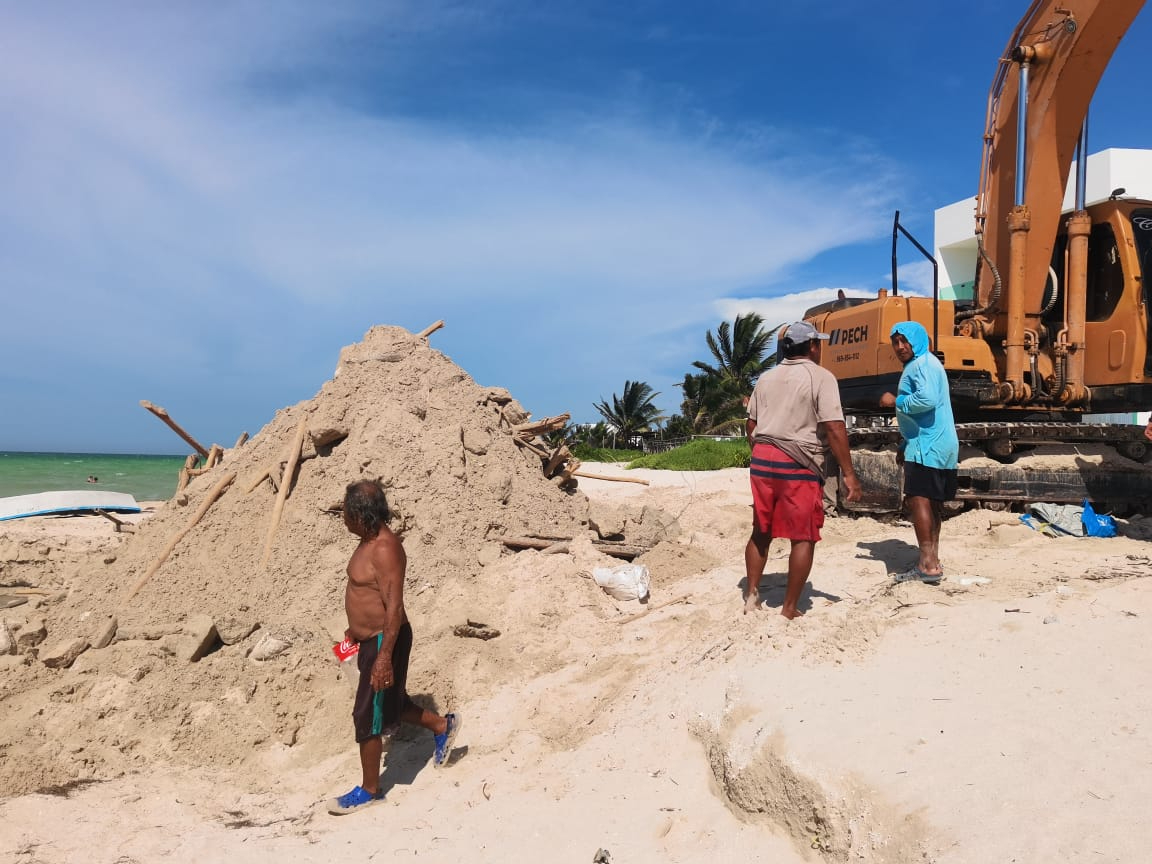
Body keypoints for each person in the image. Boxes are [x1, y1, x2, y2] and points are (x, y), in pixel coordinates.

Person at [328, 479, 460, 815]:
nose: (342, 517)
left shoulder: (385, 548)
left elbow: (394, 606)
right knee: (390, 703)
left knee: (366, 713)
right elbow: (366, 594)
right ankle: (442, 726)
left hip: (385, 640)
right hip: (367, 638)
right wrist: (353, 633)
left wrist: (384, 657)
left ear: (359, 514)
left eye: (345, 511)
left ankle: (370, 790)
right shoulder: (366, 541)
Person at [744, 321, 862, 619]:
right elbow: (834, 427)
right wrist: (849, 474)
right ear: (812, 346)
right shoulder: (821, 377)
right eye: (818, 344)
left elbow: (751, 425)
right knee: (803, 536)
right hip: (797, 462)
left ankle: (752, 596)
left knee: (761, 530)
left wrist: (761, 455)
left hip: (762, 459)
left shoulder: (766, 379)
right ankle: (789, 608)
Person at [879, 321, 959, 584]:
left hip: (927, 445)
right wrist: (906, 443)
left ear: (918, 340)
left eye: (905, 340)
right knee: (933, 502)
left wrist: (895, 401)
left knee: (919, 499)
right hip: (933, 442)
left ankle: (927, 565)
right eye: (896, 341)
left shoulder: (921, 364)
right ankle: (932, 559)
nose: (900, 346)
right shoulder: (929, 363)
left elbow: (926, 400)